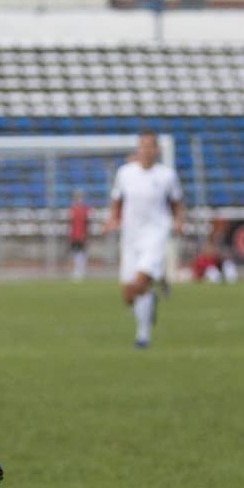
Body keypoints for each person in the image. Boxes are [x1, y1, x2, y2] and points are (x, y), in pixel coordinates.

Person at [107, 131, 185, 348]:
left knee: (139, 284)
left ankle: (143, 336)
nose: (147, 150)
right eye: (143, 146)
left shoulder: (167, 175)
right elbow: (116, 199)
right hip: (131, 237)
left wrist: (178, 221)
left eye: (151, 146)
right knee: (128, 295)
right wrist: (113, 219)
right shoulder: (125, 173)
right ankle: (154, 292)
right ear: (138, 148)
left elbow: (177, 202)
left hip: (155, 235)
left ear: (157, 150)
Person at [68, 192, 92, 280]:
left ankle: (82, 270)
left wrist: (85, 234)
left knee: (82, 253)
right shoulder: (72, 209)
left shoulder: (85, 209)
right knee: (76, 253)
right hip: (74, 234)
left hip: (82, 234)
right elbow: (71, 223)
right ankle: (77, 270)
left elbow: (87, 223)